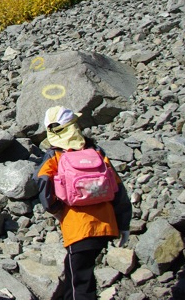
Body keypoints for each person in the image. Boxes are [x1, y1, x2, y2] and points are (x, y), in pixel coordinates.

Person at [34, 106, 132, 300]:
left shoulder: (55, 156)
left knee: (80, 284)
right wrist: (124, 224)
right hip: (106, 225)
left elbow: (42, 184)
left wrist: (56, 209)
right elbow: (118, 188)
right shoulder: (95, 151)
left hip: (78, 228)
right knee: (79, 276)